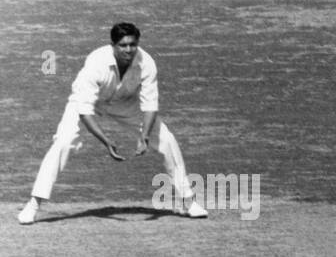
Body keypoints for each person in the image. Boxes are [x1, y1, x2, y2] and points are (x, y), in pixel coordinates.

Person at [20, 22, 206, 224]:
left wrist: (144, 136)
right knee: (63, 143)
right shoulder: (96, 63)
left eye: (133, 45)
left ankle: (189, 201)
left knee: (167, 140)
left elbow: (150, 105)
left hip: (125, 104)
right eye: (123, 45)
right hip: (89, 104)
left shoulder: (147, 63)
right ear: (113, 45)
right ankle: (33, 205)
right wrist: (107, 142)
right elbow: (84, 111)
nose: (128, 50)